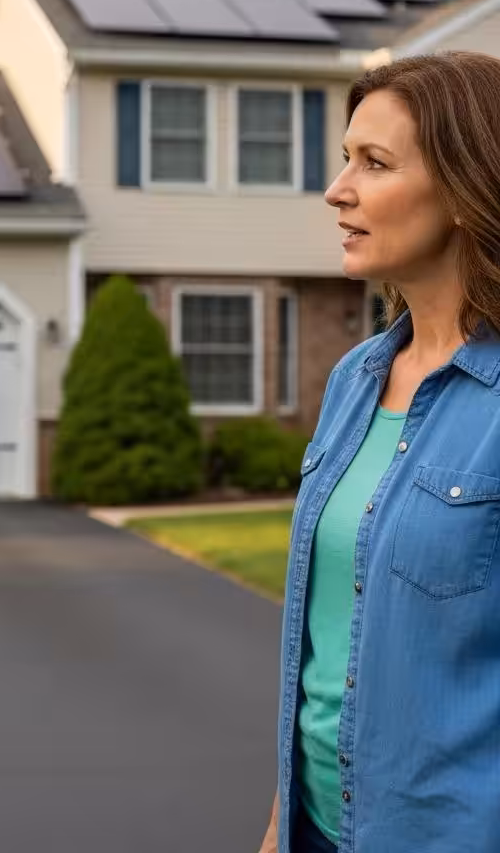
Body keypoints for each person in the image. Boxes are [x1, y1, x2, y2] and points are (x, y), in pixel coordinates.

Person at [256, 49, 500, 853]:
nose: (338, 190)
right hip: (318, 826)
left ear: (466, 189)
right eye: (344, 160)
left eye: (375, 163)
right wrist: (278, 823)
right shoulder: (353, 380)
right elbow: (329, 652)